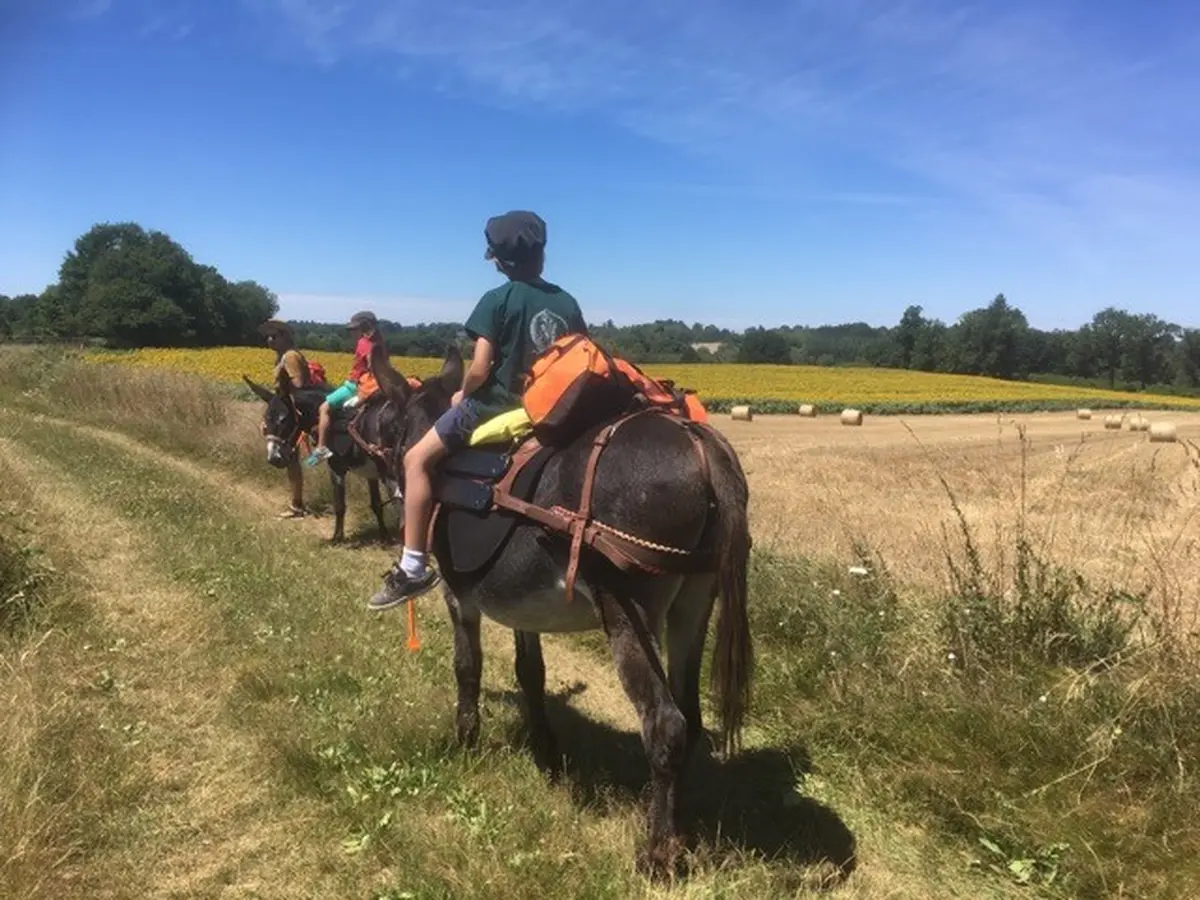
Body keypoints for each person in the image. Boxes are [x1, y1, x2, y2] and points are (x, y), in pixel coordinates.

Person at [368, 210, 587, 611]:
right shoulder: (566, 301)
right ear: (542, 254)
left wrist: (461, 396)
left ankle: (413, 566)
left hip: (495, 408)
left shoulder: (496, 300)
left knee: (416, 459)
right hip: (550, 408)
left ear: (500, 262)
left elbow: (481, 367)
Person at [305, 310, 384, 467]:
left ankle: (321, 447)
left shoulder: (363, 343)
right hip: (373, 384)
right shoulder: (379, 342)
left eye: (353, 329)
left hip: (355, 385)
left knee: (324, 407)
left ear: (363, 328)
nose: (351, 333)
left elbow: (371, 362)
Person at [258, 319, 312, 519]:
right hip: (282, 411)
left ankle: (297, 505)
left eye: (274, 336)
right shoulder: (282, 356)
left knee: (290, 457)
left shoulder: (290, 357)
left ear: (285, 337)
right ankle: (296, 503)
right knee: (290, 458)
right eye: (268, 336)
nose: (270, 340)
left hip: (290, 414)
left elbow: (298, 386)